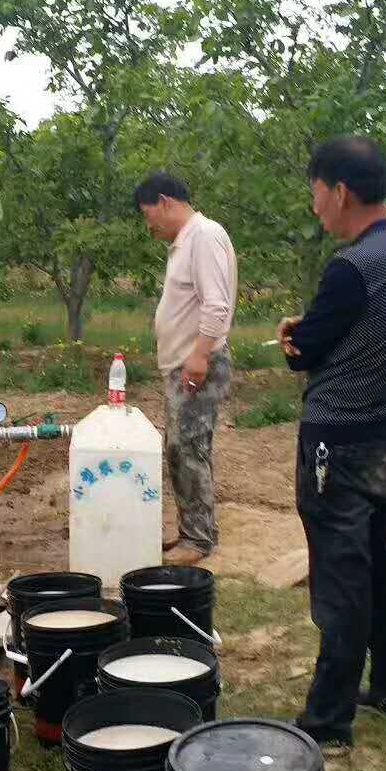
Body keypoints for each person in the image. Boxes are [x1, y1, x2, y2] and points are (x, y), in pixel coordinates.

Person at [278, 136, 386, 751]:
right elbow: (375, 331)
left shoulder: (353, 266)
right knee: (385, 560)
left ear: (340, 191)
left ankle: (327, 722)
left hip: (338, 443)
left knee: (342, 577)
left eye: (316, 193)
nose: (315, 206)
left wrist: (296, 335)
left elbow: (308, 352)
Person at [135, 172, 238, 565]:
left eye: (149, 214)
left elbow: (216, 305)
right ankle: (195, 530)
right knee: (182, 448)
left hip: (198, 363)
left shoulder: (204, 236)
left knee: (187, 447)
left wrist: (199, 355)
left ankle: (198, 540)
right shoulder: (186, 242)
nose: (149, 225)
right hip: (185, 363)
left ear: (165, 202)